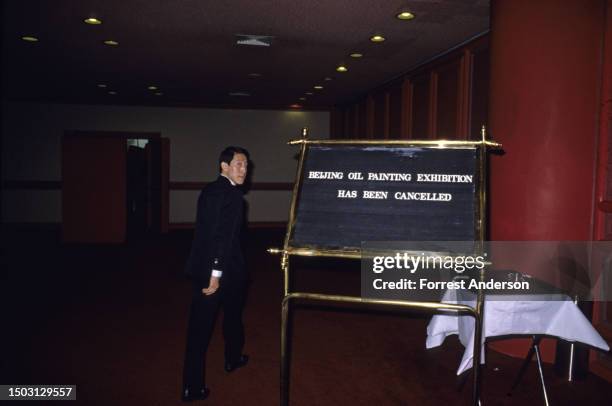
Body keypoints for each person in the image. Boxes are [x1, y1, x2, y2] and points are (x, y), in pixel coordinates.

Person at [182, 146, 250, 402]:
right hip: (223, 274)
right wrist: (216, 273)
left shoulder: (209, 190)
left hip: (202, 270)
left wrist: (208, 270)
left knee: (198, 330)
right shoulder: (233, 197)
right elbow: (222, 238)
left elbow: (205, 234)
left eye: (246, 165)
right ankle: (232, 359)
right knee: (231, 318)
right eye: (239, 164)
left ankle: (192, 386)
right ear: (224, 166)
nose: (244, 170)